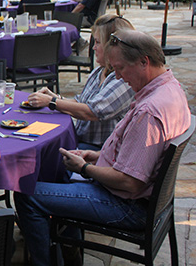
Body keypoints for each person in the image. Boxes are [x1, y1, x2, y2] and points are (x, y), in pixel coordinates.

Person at [15, 29, 190, 266]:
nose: (117, 77)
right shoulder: (170, 88)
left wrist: (85, 167)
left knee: (27, 195)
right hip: (141, 198)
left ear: (143, 62)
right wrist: (97, 156)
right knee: (56, 171)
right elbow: (139, 157)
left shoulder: (149, 112)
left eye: (120, 69)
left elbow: (130, 181)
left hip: (127, 206)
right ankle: (69, 250)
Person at [27, 14, 135, 150]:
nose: (93, 48)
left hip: (101, 149)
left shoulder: (123, 79)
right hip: (82, 139)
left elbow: (92, 112)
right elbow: (82, 103)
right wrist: (54, 97)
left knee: (47, 152)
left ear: (112, 46)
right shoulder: (99, 72)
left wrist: (51, 102)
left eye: (97, 42)